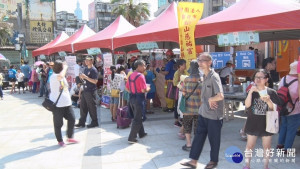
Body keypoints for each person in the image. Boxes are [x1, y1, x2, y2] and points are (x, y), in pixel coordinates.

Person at [181, 52, 224, 169]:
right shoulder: (204, 76)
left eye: (203, 60)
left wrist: (211, 99)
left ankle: (213, 161)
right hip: (203, 112)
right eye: (199, 60)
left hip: (214, 115)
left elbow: (220, 95)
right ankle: (193, 161)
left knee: (214, 140)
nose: (200, 63)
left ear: (210, 62)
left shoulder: (214, 76)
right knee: (198, 137)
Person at [243, 69, 280, 169]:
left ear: (266, 79)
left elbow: (274, 108)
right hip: (253, 122)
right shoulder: (251, 91)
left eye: (261, 77)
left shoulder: (271, 92)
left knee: (267, 147)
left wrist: (268, 101)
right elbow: (247, 105)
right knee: (250, 145)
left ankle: (266, 166)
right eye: (256, 77)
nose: (258, 79)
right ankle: (247, 165)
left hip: (267, 123)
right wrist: (250, 92)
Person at [49, 60, 78, 147]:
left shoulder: (61, 76)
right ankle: (60, 140)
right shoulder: (54, 76)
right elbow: (60, 76)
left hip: (67, 103)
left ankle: (70, 137)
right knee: (58, 123)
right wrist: (65, 67)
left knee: (72, 119)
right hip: (58, 105)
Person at [277, 61, 300, 152]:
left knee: (284, 126)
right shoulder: (298, 82)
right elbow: (296, 95)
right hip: (294, 109)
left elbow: (279, 90)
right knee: (292, 129)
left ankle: (280, 144)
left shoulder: (283, 78)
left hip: (283, 107)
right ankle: (287, 148)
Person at [126, 60, 149, 143]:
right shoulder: (141, 76)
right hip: (139, 98)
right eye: (144, 66)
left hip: (132, 97)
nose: (145, 67)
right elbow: (143, 90)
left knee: (137, 116)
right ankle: (131, 137)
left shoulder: (131, 75)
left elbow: (127, 88)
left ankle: (141, 133)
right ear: (139, 66)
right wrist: (148, 88)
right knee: (137, 118)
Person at [181, 60, 201, 152]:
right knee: (197, 128)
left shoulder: (186, 80)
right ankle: (197, 145)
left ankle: (189, 144)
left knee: (187, 126)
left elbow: (184, 94)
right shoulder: (202, 80)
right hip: (199, 109)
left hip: (187, 108)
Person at [75, 55, 99, 128]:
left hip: (91, 91)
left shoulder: (93, 70)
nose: (86, 61)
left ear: (92, 61)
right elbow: (84, 80)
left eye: (88, 60)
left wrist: (86, 77)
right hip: (85, 90)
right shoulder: (85, 69)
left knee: (91, 107)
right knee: (83, 107)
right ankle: (82, 122)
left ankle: (94, 121)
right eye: (86, 60)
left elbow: (95, 81)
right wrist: (81, 78)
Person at [173, 59, 188, 127]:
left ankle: (181, 118)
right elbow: (174, 83)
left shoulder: (185, 72)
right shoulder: (177, 73)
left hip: (183, 91)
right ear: (180, 66)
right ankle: (176, 120)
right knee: (177, 105)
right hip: (178, 91)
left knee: (182, 104)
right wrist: (180, 84)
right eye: (184, 65)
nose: (185, 66)